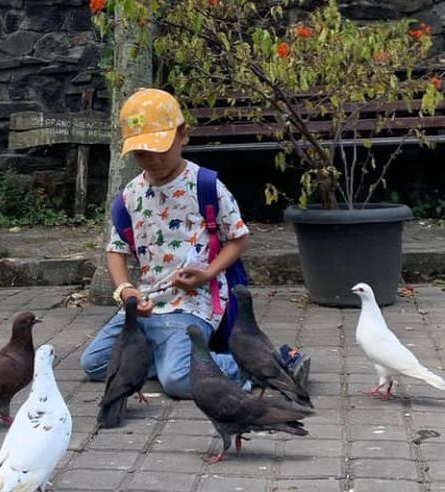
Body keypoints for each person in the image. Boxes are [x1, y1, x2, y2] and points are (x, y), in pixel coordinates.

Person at [81, 88, 308, 398]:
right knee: (94, 362)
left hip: (190, 303)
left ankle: (272, 365)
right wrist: (127, 291)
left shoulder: (206, 186)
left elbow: (238, 239)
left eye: (161, 148)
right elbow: (116, 250)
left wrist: (208, 273)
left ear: (183, 135)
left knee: (176, 380)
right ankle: (171, 359)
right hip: (146, 305)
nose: (154, 160)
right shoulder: (129, 196)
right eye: (142, 153)